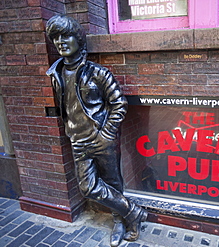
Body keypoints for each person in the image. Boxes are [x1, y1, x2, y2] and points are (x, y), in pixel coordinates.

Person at [45, 15, 147, 246]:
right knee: (87, 187)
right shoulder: (56, 74)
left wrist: (107, 133)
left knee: (113, 182)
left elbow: (119, 103)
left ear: (79, 40)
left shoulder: (98, 73)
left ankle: (120, 222)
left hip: (102, 138)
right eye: (56, 38)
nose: (60, 42)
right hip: (77, 140)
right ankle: (134, 213)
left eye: (66, 36)